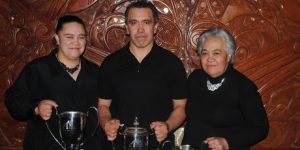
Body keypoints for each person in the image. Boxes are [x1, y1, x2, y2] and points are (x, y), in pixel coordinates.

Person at [97, 1, 187, 150]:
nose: (140, 29)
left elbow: (181, 107)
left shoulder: (172, 63)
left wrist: (167, 126)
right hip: (117, 144)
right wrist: (106, 123)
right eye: (133, 23)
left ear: (155, 26)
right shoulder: (110, 63)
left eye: (146, 22)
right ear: (126, 27)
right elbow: (103, 105)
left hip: (158, 145)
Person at [5, 15, 103, 150]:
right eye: (69, 37)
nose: (76, 42)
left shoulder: (96, 72)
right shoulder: (38, 69)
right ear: (57, 38)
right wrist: (36, 108)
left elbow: (106, 107)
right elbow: (13, 99)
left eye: (81, 37)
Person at [182, 27, 269, 150]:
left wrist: (227, 142)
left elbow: (260, 128)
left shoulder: (243, 86)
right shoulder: (195, 78)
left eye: (216, 53)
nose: (209, 58)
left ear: (228, 56)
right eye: (205, 53)